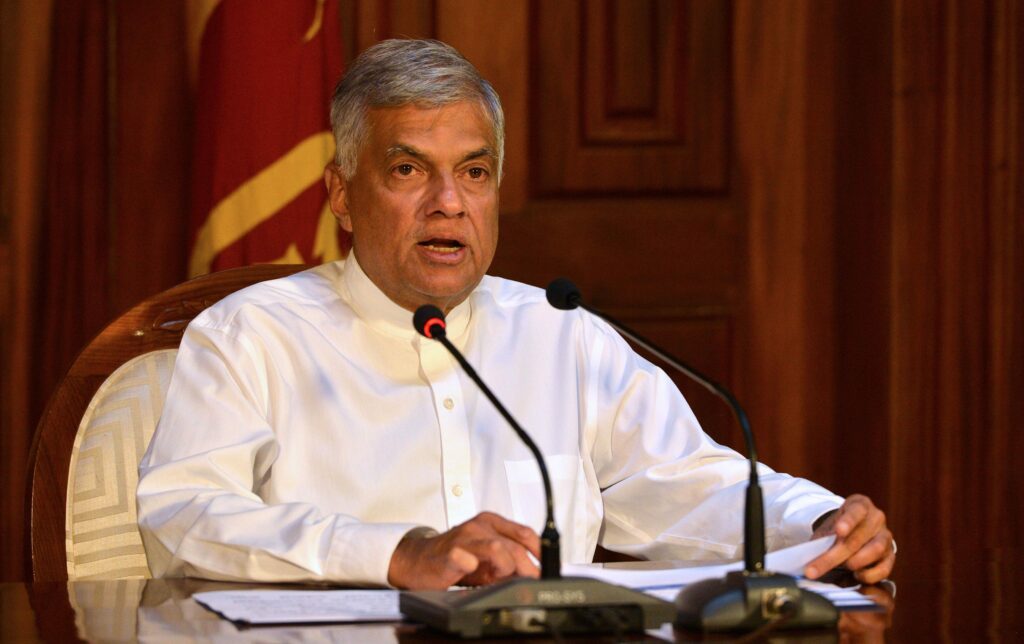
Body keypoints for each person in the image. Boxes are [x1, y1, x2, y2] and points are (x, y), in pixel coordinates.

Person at [137, 39, 894, 591]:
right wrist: (396, 553)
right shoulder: (252, 336)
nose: (449, 203)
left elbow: (685, 483)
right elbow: (185, 517)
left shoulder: (562, 333)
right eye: (409, 170)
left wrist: (818, 523)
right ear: (341, 194)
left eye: (474, 172)